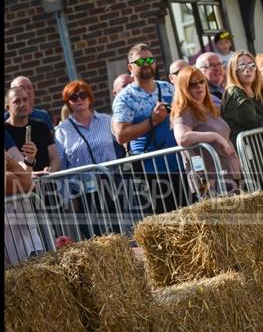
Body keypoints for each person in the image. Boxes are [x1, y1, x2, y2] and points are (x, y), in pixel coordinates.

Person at [112, 43, 188, 214]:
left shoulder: (168, 88)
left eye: (149, 60)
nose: (146, 64)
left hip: (180, 164)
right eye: (140, 62)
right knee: (166, 222)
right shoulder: (125, 97)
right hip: (151, 171)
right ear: (131, 67)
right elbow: (121, 135)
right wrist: (152, 121)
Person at [55, 80, 122, 237]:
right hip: (82, 192)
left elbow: (122, 143)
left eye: (83, 95)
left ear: (90, 98)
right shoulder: (62, 131)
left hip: (111, 185)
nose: (79, 99)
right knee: (95, 238)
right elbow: (61, 166)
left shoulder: (107, 120)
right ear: (68, 103)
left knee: (119, 234)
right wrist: (67, 197)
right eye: (74, 97)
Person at [171, 66, 242, 195]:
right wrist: (214, 136)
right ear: (183, 88)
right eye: (192, 84)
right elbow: (182, 138)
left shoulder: (209, 107)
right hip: (211, 179)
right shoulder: (184, 111)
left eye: (201, 81)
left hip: (230, 172)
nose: (199, 86)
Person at [5, 86, 59, 174]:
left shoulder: (41, 126)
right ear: (8, 107)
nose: (22, 104)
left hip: (48, 183)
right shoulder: (6, 131)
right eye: (17, 101)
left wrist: (51, 170)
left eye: (25, 99)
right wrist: (29, 174)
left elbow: (55, 157)